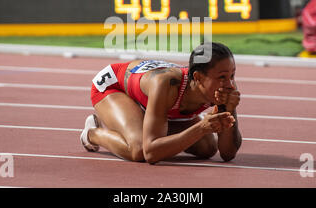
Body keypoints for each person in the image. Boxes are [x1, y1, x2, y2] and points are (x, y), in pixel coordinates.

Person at [80, 42, 242, 164]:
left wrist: (230, 109)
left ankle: (145, 120)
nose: (229, 84)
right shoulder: (166, 84)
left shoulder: (220, 88)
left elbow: (228, 153)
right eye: (222, 77)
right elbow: (151, 154)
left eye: (232, 75)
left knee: (207, 148)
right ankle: (93, 133)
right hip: (112, 85)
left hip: (152, 97)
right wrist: (200, 128)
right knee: (139, 149)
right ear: (198, 78)